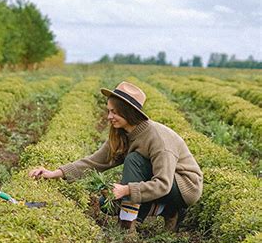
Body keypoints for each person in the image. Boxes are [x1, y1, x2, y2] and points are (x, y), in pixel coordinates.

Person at [29, 81, 203, 234]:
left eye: (114, 112)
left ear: (128, 113)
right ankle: (168, 211)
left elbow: (164, 184)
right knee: (107, 203)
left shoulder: (157, 139)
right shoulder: (122, 134)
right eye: (108, 111)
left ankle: (127, 225)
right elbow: (95, 161)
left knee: (133, 160)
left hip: (183, 187)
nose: (109, 117)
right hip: (160, 183)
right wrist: (55, 173)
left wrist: (126, 190)